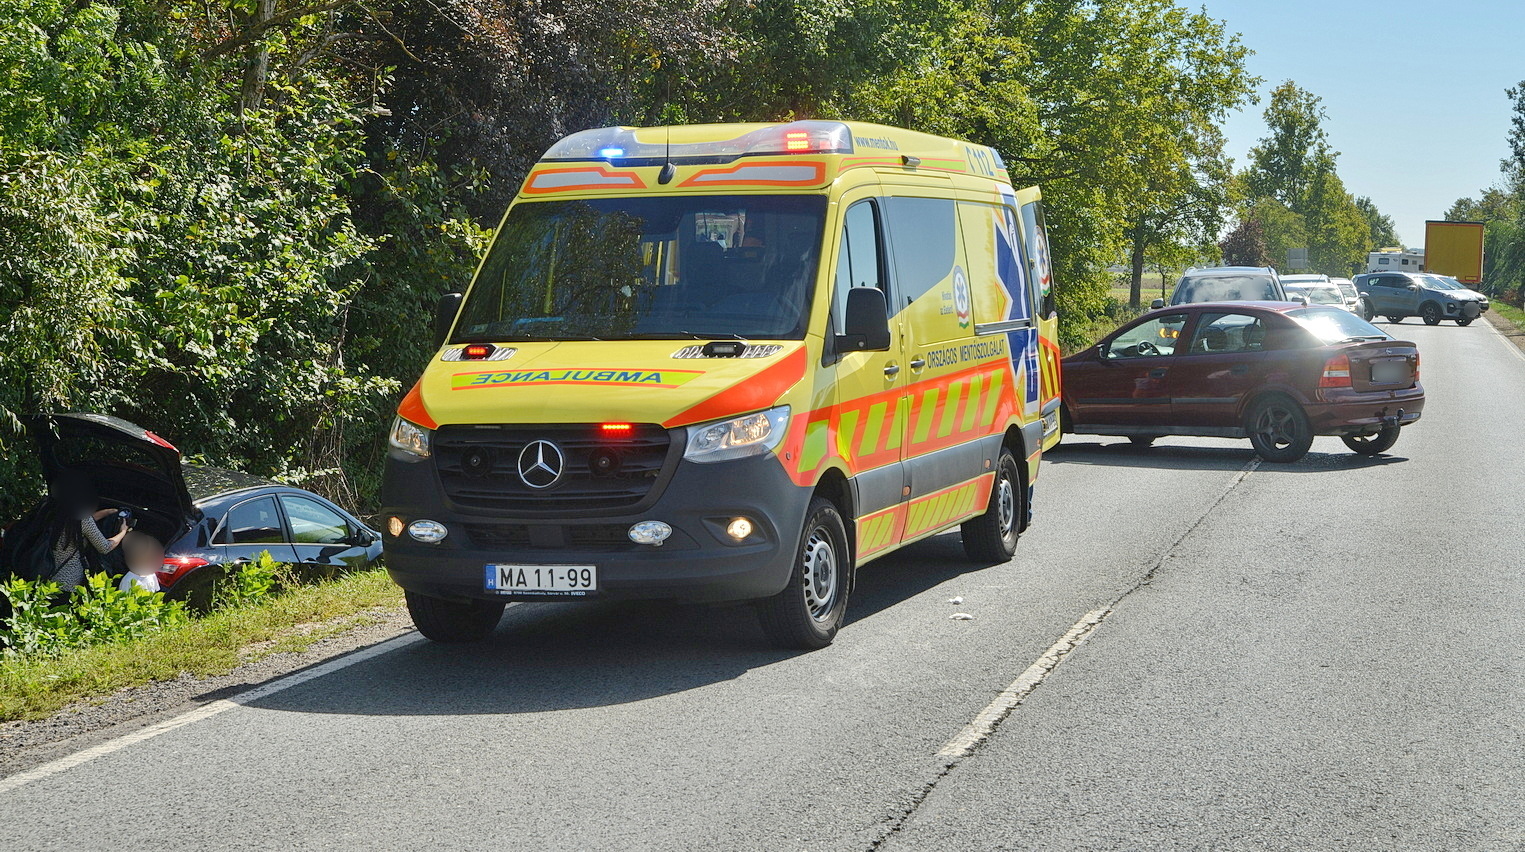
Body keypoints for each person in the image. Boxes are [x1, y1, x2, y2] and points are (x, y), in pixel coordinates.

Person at [46, 471, 129, 593]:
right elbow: (105, 547)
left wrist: (107, 512)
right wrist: (122, 532)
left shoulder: (53, 511)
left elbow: (79, 525)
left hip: (45, 575)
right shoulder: (82, 519)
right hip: (68, 584)